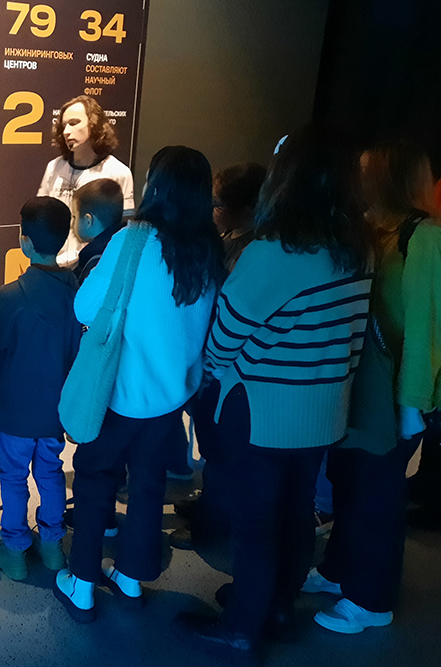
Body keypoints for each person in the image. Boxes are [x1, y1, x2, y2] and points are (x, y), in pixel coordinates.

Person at [176, 128, 372, 660]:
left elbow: (224, 338)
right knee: (296, 510)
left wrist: (216, 373)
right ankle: (277, 608)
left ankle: (242, 626)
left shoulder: (273, 252)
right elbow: (354, 336)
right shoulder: (358, 250)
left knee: (256, 523)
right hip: (323, 410)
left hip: (261, 412)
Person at [55, 147, 223, 622]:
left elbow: (86, 308)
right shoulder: (209, 249)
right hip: (171, 399)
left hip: (119, 394)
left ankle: (82, 584)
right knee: (149, 486)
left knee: (95, 481)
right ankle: (130, 577)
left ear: (157, 186)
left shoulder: (133, 241)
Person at [301, 139, 439, 633]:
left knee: (378, 497)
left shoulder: (423, 238)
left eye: (366, 170)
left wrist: (412, 404)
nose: (356, 178)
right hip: (362, 386)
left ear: (388, 177)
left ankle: (371, 599)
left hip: (395, 392)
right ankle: (339, 571)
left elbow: (425, 329)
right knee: (349, 482)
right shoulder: (371, 228)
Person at [0, 196, 81, 581]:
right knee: (51, 471)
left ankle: (15, 550)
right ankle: (53, 546)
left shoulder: (10, 297)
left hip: (14, 412)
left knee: (13, 475)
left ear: (23, 241)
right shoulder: (77, 293)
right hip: (56, 410)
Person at [170, 161, 267, 551]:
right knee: (212, 444)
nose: (211, 210)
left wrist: (210, 365)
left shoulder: (250, 251)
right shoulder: (232, 238)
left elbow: (233, 315)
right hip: (212, 361)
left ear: (246, 207)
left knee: (222, 448)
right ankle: (211, 504)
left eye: (218, 203)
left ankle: (212, 525)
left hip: (225, 368)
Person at [38, 95, 135, 266]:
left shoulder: (118, 172)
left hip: (94, 265)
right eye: (64, 125)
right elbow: (40, 217)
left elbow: (124, 230)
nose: (67, 131)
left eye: (74, 123)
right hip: (54, 266)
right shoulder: (54, 168)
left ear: (93, 124)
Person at [72, 178, 125, 283]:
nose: (71, 224)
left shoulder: (95, 261)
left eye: (75, 217)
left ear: (88, 221)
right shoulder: (125, 246)